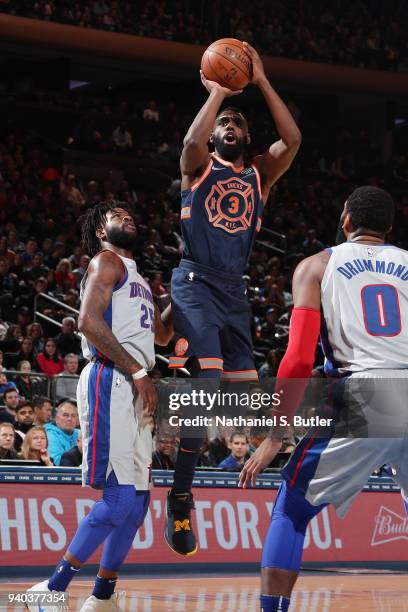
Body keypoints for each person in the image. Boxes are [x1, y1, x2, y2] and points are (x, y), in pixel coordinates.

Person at [239, 186, 408, 612]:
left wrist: (277, 435)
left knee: (291, 509)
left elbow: (297, 360)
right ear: (388, 228)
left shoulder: (318, 265)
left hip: (365, 391)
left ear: (346, 219)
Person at [166, 41, 301, 555]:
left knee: (245, 399)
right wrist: (218, 94)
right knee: (206, 379)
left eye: (239, 124)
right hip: (195, 281)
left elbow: (293, 138)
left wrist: (261, 81)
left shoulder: (258, 175)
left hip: (234, 291)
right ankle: (181, 495)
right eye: (226, 122)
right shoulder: (198, 166)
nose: (230, 127)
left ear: (247, 138)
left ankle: (276, 466)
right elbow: (189, 140)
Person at [28, 202, 173, 611]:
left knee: (140, 502)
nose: (129, 216)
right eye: (117, 215)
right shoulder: (105, 262)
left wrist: (187, 294)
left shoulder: (140, 278)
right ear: (101, 232)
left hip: (136, 381)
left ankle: (102, 597)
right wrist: (138, 373)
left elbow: (162, 337)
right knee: (120, 500)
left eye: (131, 213)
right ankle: (51, 589)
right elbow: (89, 321)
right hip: (113, 376)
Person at [44, 401, 79, 466]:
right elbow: (57, 462)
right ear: (57, 419)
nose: (69, 419)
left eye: (73, 416)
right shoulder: (49, 435)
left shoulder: (80, 434)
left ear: (77, 420)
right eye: (65, 415)